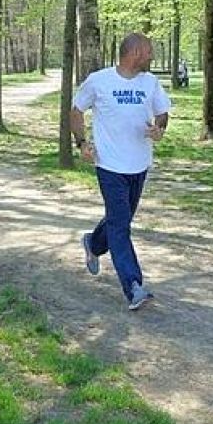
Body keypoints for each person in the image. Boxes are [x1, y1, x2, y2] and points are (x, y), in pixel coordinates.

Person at [71, 32, 172, 311]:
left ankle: (93, 242)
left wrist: (159, 128)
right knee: (120, 224)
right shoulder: (99, 80)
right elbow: (76, 110)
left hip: (139, 164)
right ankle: (133, 286)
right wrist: (81, 143)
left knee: (120, 219)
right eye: (148, 51)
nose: (152, 56)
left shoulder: (150, 82)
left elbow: (162, 112)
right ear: (135, 52)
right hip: (109, 165)